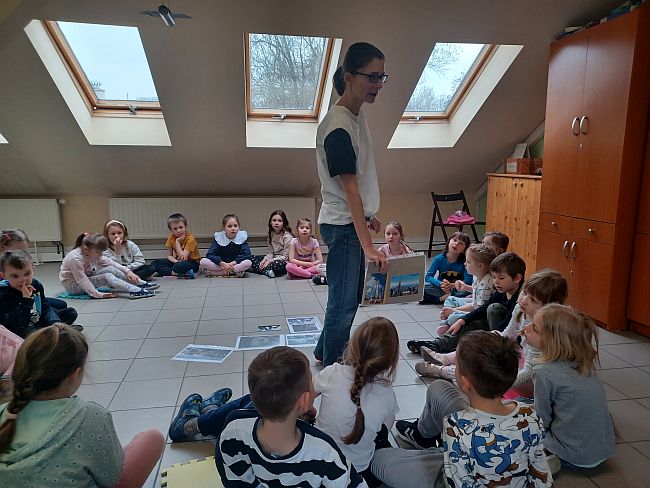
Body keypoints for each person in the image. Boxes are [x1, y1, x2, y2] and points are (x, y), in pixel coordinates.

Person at [372, 331, 552, 488]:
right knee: (439, 388)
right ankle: (423, 440)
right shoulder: (529, 414)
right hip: (481, 462)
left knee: (379, 461)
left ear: (465, 382)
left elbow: (456, 483)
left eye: (456, 366)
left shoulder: (456, 425)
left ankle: (432, 453)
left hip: (458, 473)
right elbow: (541, 474)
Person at [0, 324, 165, 487]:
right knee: (152, 438)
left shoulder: (5, 413)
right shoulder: (91, 416)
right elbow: (111, 478)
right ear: (76, 374)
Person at [315, 42, 388, 366]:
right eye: (372, 77)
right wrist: (369, 246)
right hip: (342, 225)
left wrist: (368, 215)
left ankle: (323, 351)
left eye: (382, 77)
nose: (378, 84)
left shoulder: (355, 115)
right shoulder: (338, 127)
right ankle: (333, 370)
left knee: (347, 299)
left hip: (349, 220)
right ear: (348, 77)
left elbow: (359, 181)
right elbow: (349, 191)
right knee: (343, 304)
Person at [214, 347, 367, 487]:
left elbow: (235, 481)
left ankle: (207, 411)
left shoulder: (233, 432)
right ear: (304, 400)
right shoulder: (325, 453)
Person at [419, 270, 568, 394]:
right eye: (524, 292)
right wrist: (484, 340)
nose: (524, 300)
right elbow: (508, 335)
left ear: (549, 307)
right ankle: (446, 359)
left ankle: (445, 371)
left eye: (533, 300)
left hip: (530, 381)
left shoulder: (543, 329)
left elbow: (530, 373)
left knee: (487, 369)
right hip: (522, 360)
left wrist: (498, 380)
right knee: (491, 337)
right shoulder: (520, 309)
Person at [524, 304, 615, 470]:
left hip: (574, 455)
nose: (527, 327)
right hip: (603, 450)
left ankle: (551, 460)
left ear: (552, 341)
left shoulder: (544, 372)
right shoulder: (583, 363)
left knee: (518, 419)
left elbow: (541, 418)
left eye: (534, 328)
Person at [314, 317, 399, 486]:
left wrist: (310, 414)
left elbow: (305, 397)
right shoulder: (387, 393)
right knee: (383, 439)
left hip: (321, 464)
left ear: (351, 347)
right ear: (390, 361)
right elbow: (385, 427)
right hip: (359, 469)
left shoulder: (332, 373)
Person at [408, 252, 525, 355]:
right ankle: (437, 345)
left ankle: (449, 354)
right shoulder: (502, 291)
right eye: (494, 277)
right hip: (493, 331)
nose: (496, 282)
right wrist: (463, 319)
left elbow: (509, 325)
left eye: (501, 278)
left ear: (517, 278)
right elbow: (482, 308)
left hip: (505, 338)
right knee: (469, 323)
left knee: (492, 309)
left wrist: (487, 337)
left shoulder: (520, 299)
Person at [0, 250, 79, 338]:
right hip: (20, 327)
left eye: (27, 274)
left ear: (33, 269)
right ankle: (49, 333)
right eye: (15, 276)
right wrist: (26, 299)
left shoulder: (36, 284)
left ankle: (49, 331)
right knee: (30, 334)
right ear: (4, 276)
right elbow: (17, 326)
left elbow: (45, 306)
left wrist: (54, 321)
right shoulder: (4, 293)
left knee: (71, 313)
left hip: (37, 320)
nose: (23, 280)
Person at [60, 233, 157, 299]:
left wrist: (128, 271)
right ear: (86, 249)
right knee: (107, 276)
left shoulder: (92, 252)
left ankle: (138, 283)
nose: (100, 255)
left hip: (88, 277)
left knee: (110, 268)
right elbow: (81, 279)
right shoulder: (75, 258)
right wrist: (97, 294)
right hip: (74, 286)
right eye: (98, 252)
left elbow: (111, 263)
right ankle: (134, 290)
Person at [0, 228, 70, 313]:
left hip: (25, 295)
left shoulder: (24, 265)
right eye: (16, 251)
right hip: (11, 301)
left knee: (60, 305)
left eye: (24, 251)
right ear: (2, 248)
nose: (19, 255)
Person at [438, 243, 495, 333]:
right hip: (475, 305)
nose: (464, 264)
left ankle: (449, 324)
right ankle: (449, 323)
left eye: (468, 262)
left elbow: (478, 311)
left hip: (480, 316)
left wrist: (454, 311)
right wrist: (465, 288)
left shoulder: (487, 285)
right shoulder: (477, 276)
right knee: (450, 299)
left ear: (480, 266)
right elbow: (475, 301)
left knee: (453, 317)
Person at [421, 232, 472, 305]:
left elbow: (468, 280)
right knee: (422, 288)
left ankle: (441, 298)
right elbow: (428, 277)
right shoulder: (439, 258)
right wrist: (440, 284)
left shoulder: (465, 262)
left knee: (468, 291)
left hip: (457, 289)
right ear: (448, 242)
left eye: (461, 243)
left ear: (464, 249)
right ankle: (447, 298)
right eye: (454, 240)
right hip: (442, 288)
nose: (456, 244)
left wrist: (452, 285)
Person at [151, 213, 201, 278]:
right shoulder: (171, 237)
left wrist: (177, 242)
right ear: (171, 230)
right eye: (175, 229)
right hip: (178, 261)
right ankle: (176, 273)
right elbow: (169, 255)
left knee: (178, 266)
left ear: (185, 226)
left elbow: (183, 258)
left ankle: (167, 271)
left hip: (192, 262)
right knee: (155, 263)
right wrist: (176, 261)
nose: (178, 230)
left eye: (181, 227)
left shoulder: (190, 239)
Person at [248, 210, 293, 278]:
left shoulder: (287, 237)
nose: (276, 223)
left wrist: (270, 261)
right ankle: (266, 271)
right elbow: (270, 252)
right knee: (250, 258)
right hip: (273, 258)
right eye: (274, 220)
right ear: (270, 222)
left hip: (282, 261)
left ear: (284, 223)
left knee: (277, 265)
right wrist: (265, 259)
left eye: (280, 221)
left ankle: (258, 269)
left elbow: (285, 257)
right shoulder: (270, 234)